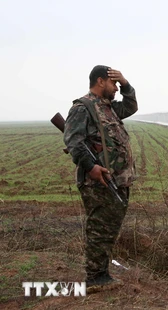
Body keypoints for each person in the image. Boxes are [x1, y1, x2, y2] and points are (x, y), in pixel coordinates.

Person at [63, 65, 138, 289]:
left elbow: (131, 106)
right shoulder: (83, 107)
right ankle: (95, 277)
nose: (116, 88)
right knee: (100, 228)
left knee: (109, 227)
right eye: (113, 83)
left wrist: (126, 84)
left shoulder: (107, 108)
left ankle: (101, 272)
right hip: (98, 181)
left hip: (115, 180)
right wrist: (92, 168)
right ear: (100, 81)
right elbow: (74, 142)